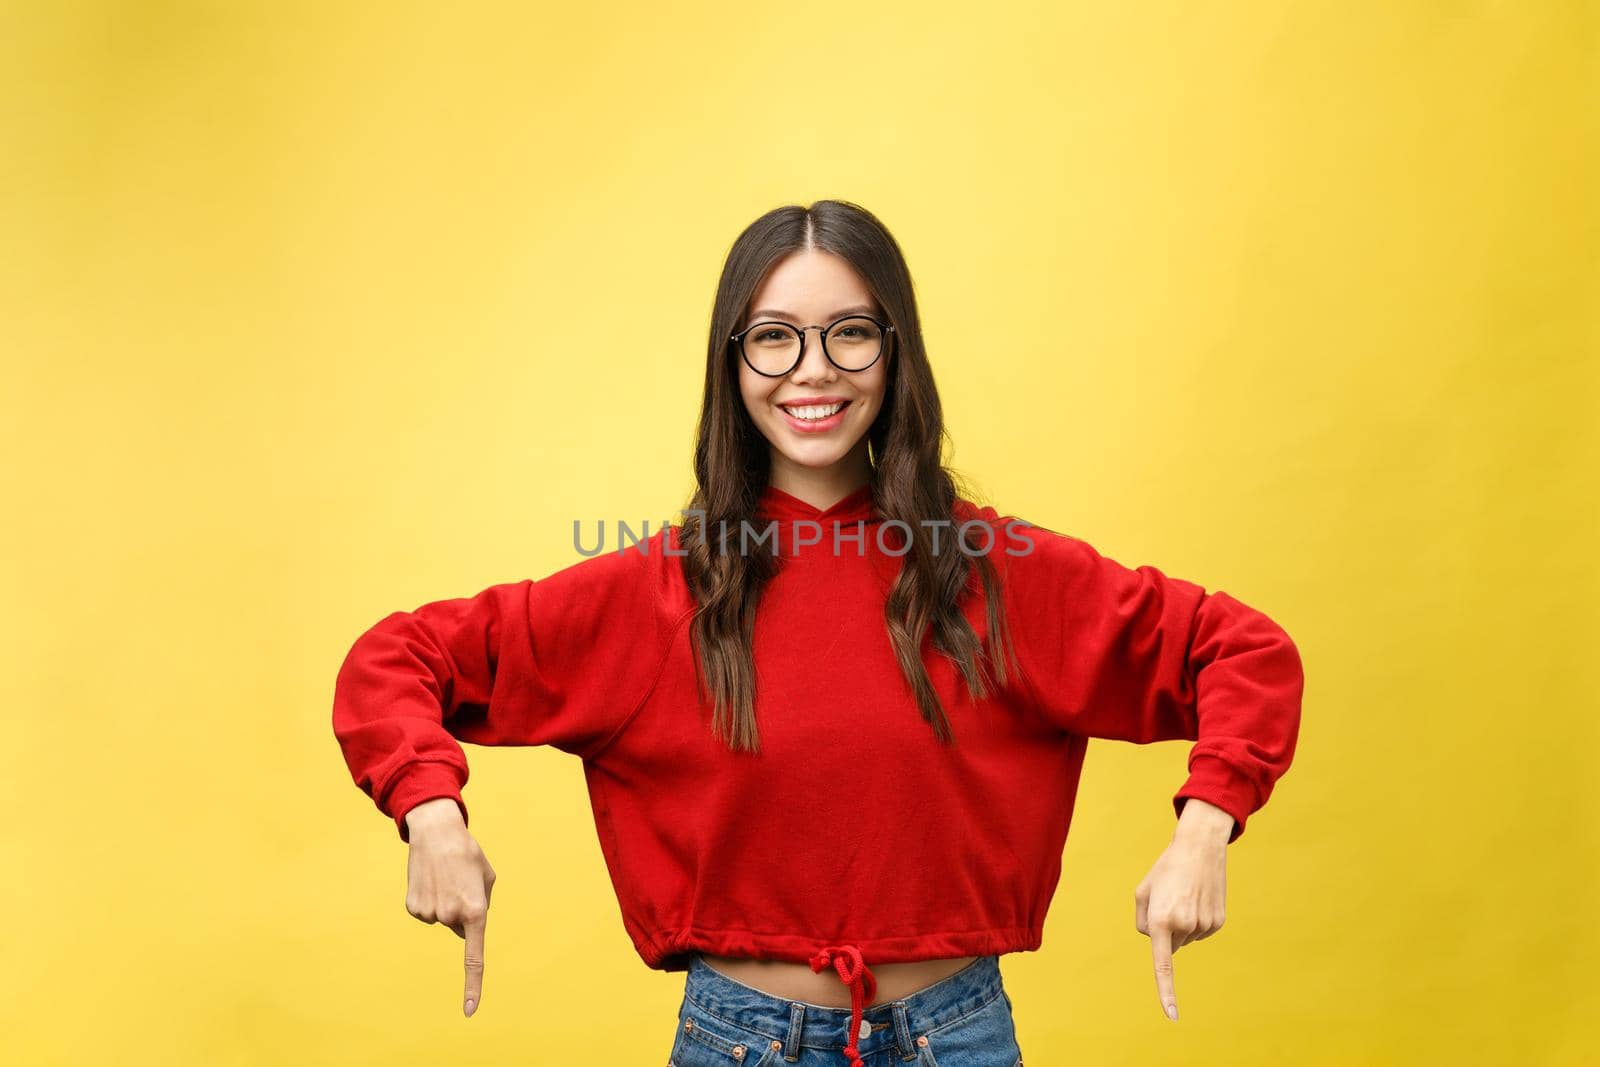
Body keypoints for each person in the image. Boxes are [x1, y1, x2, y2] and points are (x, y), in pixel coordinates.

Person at [331, 200, 1305, 1066]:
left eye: (849, 333)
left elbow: (1240, 650)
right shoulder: (658, 591)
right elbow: (396, 658)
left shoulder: (993, 571)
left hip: (954, 1037)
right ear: (733, 360)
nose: (813, 369)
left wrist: (1204, 825)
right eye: (774, 337)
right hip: (738, 1040)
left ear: (895, 352)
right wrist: (432, 812)